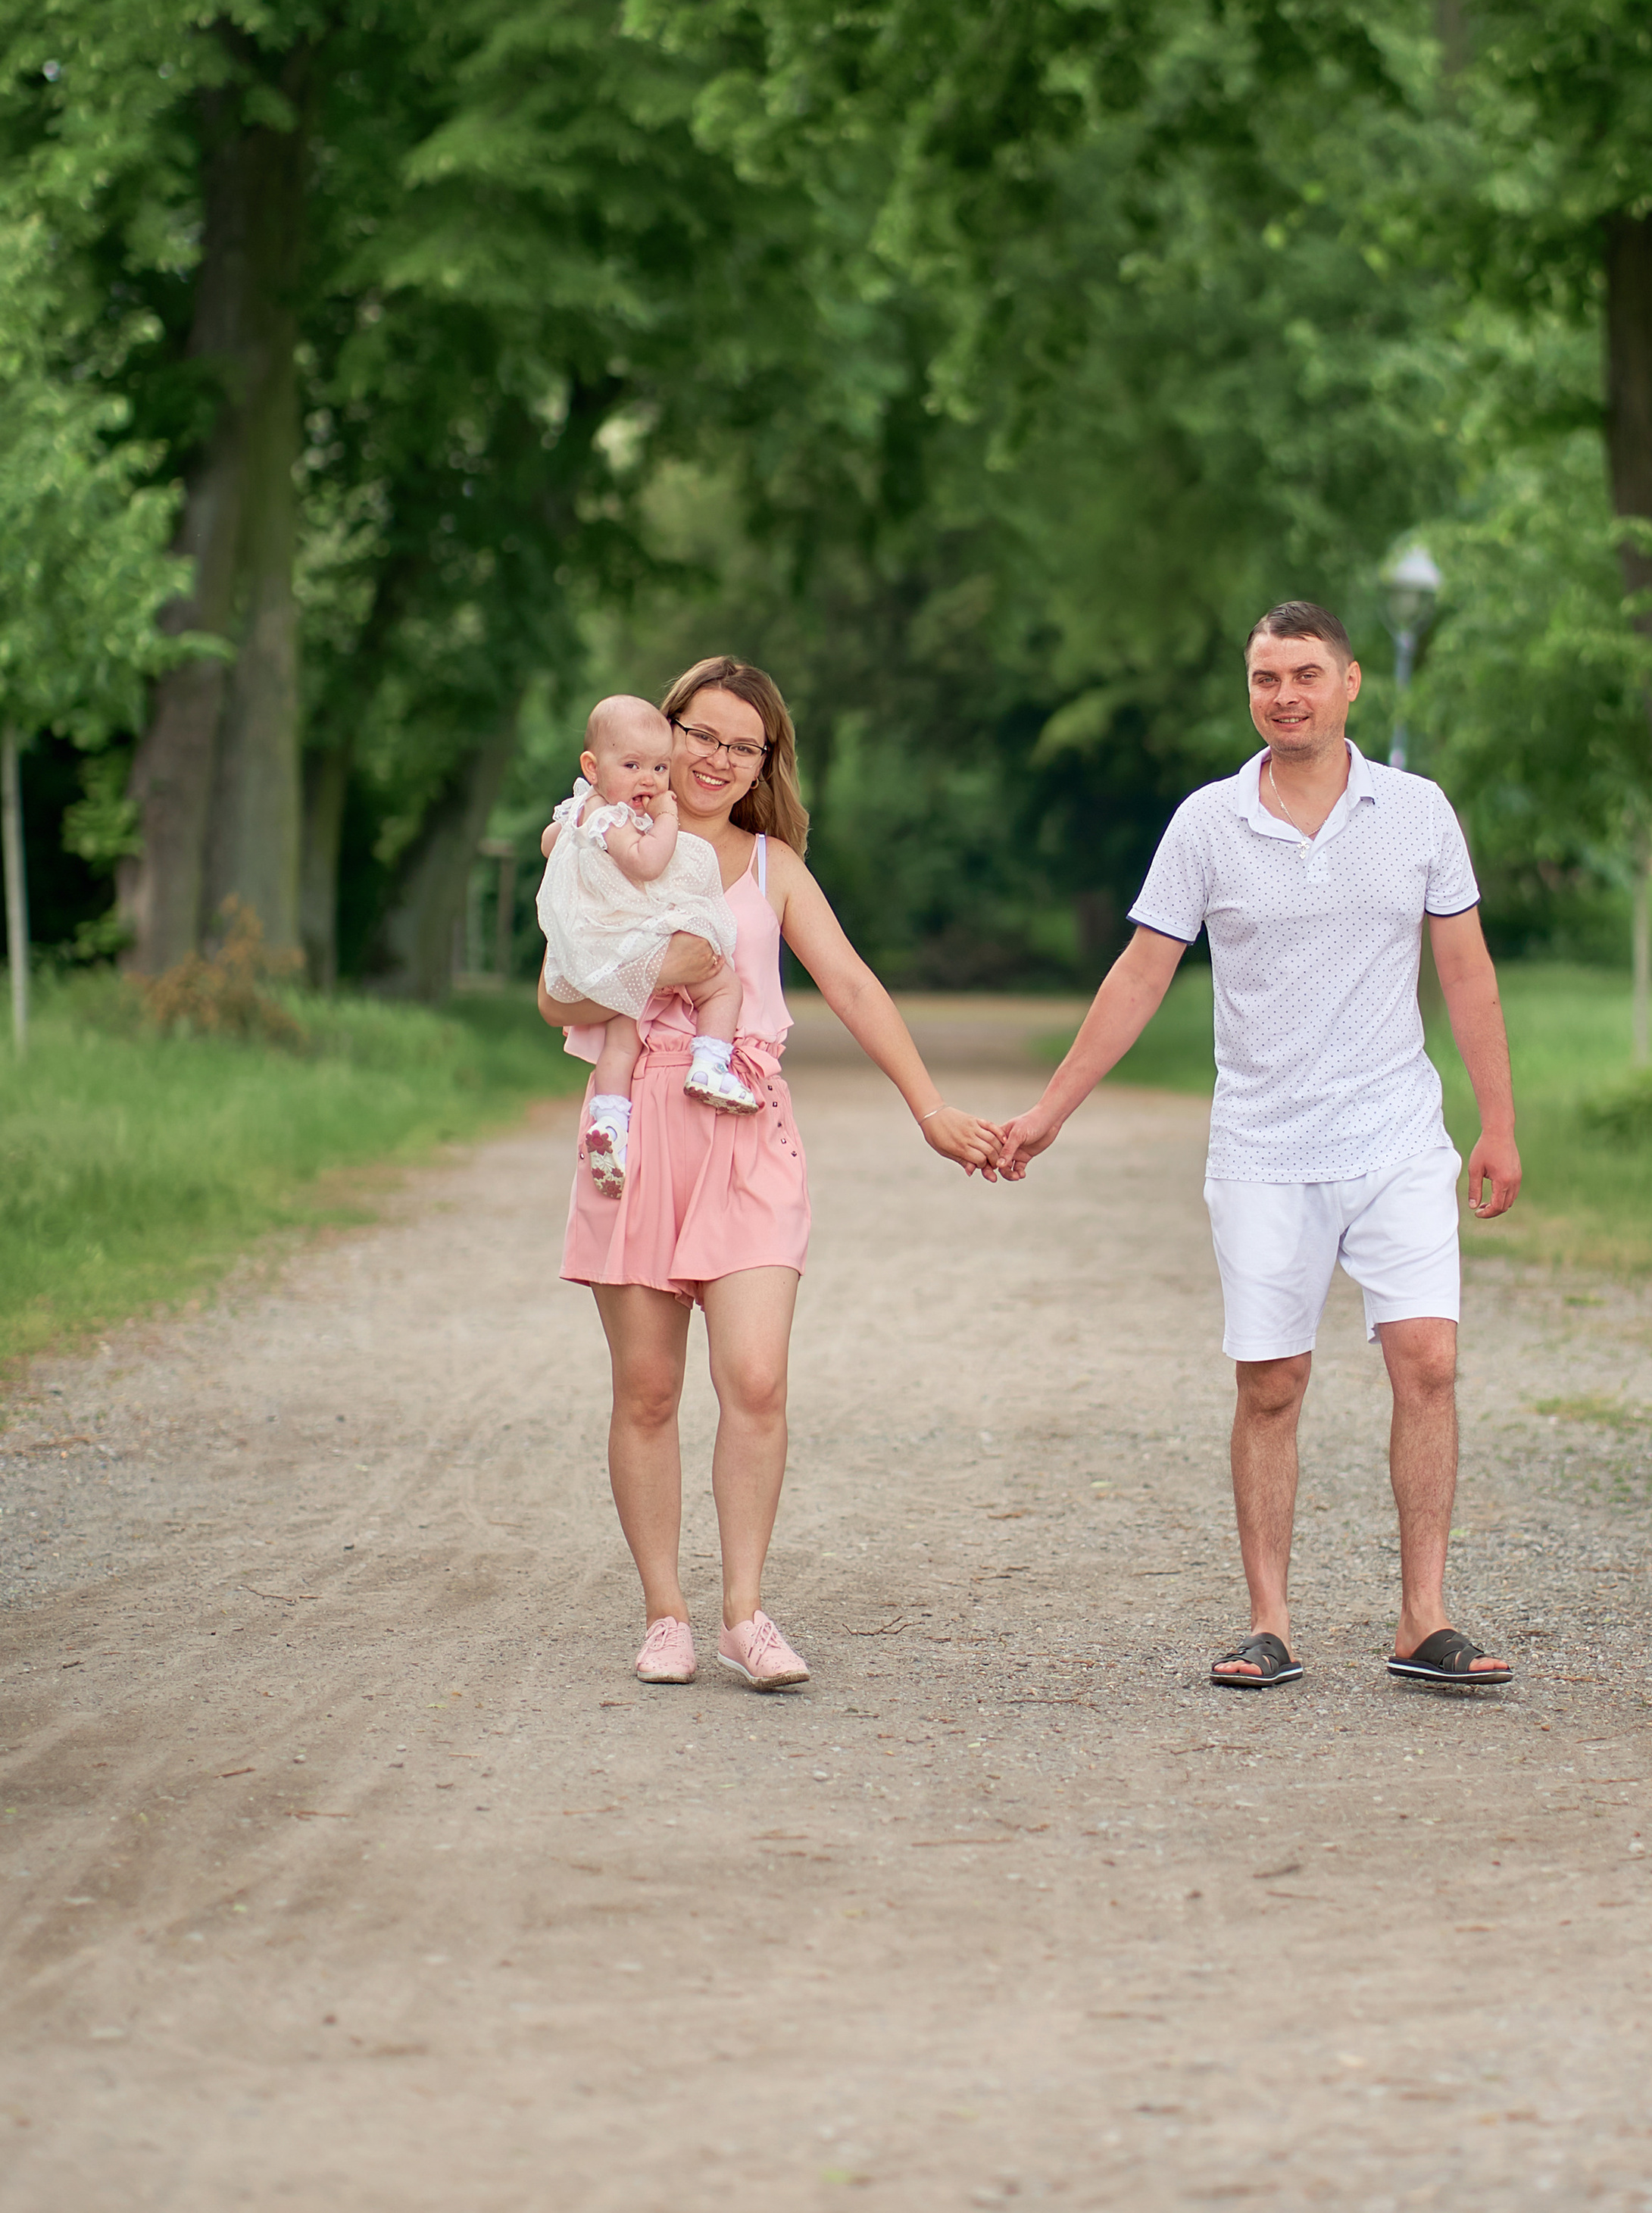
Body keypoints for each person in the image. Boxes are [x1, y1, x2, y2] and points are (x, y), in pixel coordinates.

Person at [997, 599, 1521, 1693]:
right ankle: (1269, 1622)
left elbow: (1466, 972)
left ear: (1350, 683)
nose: (1284, 695)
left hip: (1396, 1137)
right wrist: (1048, 1113)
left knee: (1427, 1362)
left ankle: (1423, 1617)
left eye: (1304, 674)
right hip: (1264, 1144)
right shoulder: (1207, 824)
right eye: (1265, 678)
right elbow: (1141, 973)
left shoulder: (1418, 812)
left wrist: (1498, 1124)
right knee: (1273, 1381)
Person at [538, 654, 1001, 1695]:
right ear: (665, 734)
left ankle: (747, 1611)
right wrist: (671, 969)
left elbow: (850, 981)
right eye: (700, 734)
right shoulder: (600, 845)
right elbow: (556, 998)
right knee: (648, 1389)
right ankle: (668, 1612)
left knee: (754, 1377)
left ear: (763, 764)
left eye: (742, 746)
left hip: (745, 1125)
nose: (714, 759)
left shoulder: (769, 868)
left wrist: (929, 1105)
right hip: (639, 1124)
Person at [537, 692, 757, 1202]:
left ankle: (610, 1126)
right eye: (632, 765)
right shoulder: (613, 820)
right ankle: (711, 1061)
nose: (649, 781)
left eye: (659, 767)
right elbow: (647, 863)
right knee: (722, 981)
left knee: (621, 1042)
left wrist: (576, 833)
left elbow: (551, 844)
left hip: (607, 952)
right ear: (592, 767)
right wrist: (666, 819)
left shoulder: (582, 812)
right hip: (635, 939)